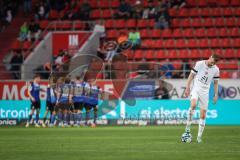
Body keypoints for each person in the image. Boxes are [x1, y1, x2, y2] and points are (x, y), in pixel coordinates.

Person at [183, 53, 220, 143]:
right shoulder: (199, 64)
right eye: (212, 62)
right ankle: (187, 129)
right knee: (193, 105)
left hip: (205, 93)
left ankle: (199, 138)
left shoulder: (216, 69)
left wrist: (215, 94)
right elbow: (191, 76)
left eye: (214, 63)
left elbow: (215, 83)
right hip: (196, 89)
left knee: (203, 115)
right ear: (210, 57)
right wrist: (187, 87)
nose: (212, 64)